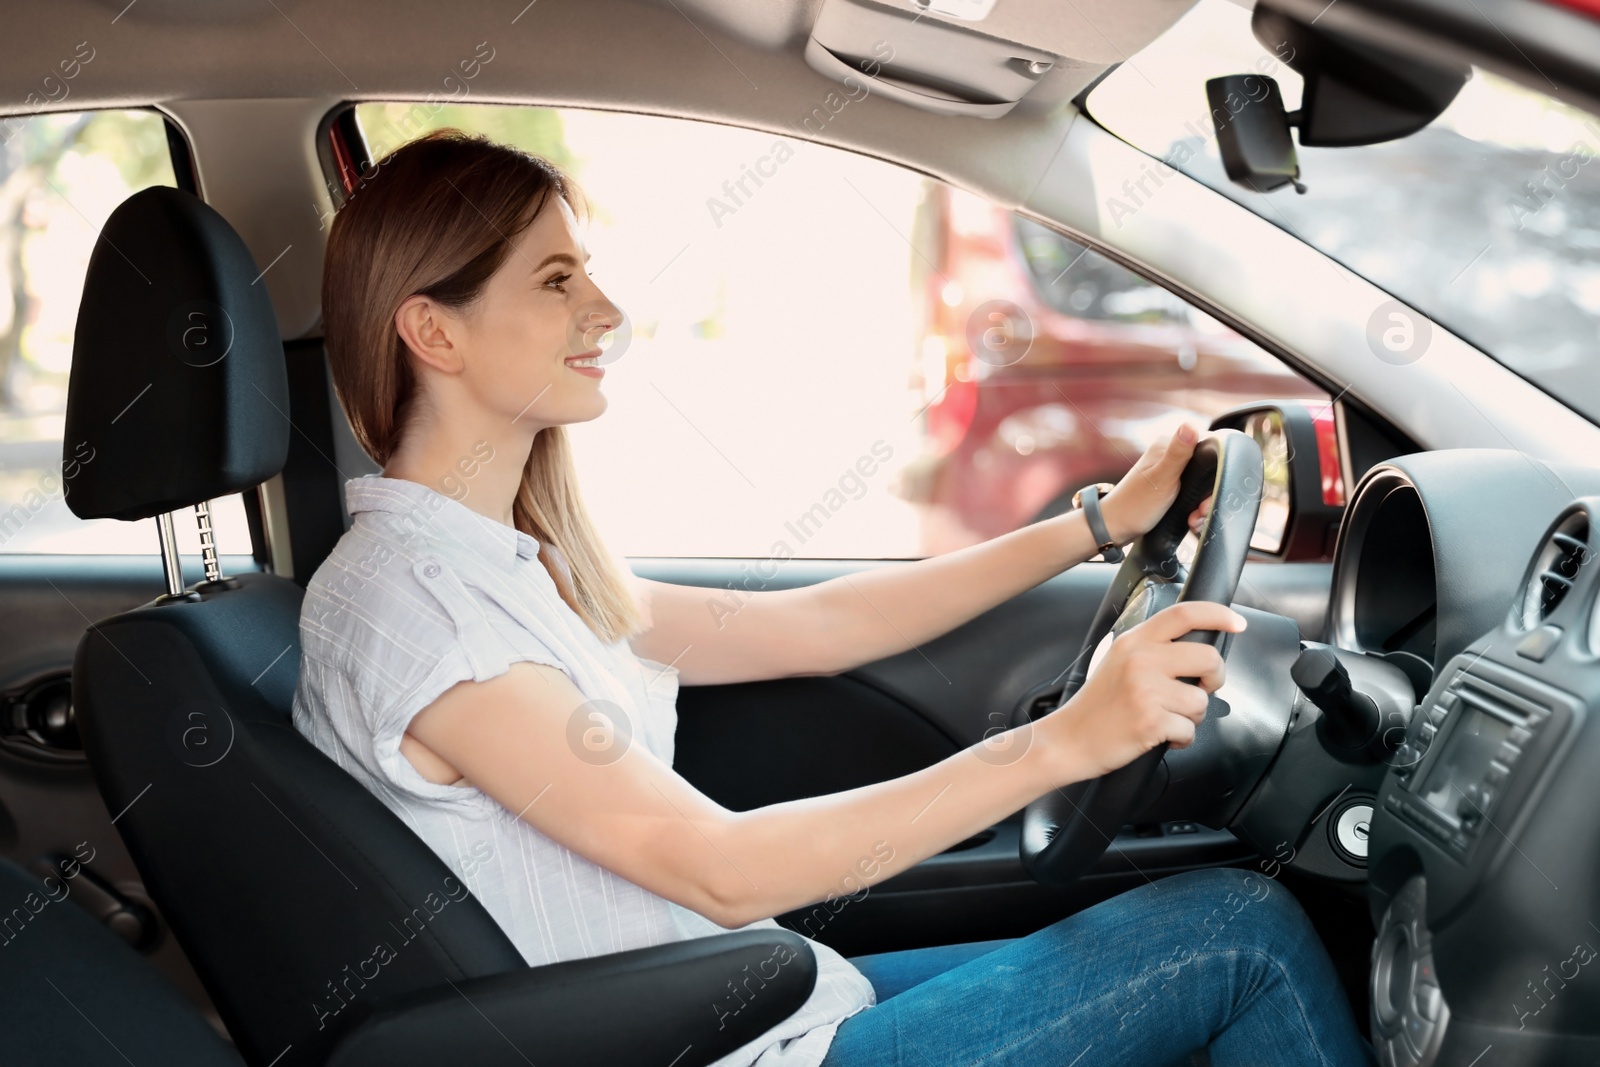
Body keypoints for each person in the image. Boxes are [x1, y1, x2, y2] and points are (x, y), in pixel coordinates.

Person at [293, 128, 1375, 1067]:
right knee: (1241, 937)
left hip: (762, 1007)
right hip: (726, 1044)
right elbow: (719, 869)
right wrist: (1066, 741)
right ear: (434, 332)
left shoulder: (509, 565)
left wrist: (1094, 526)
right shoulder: (425, 609)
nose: (606, 309)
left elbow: (820, 624)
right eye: (555, 279)